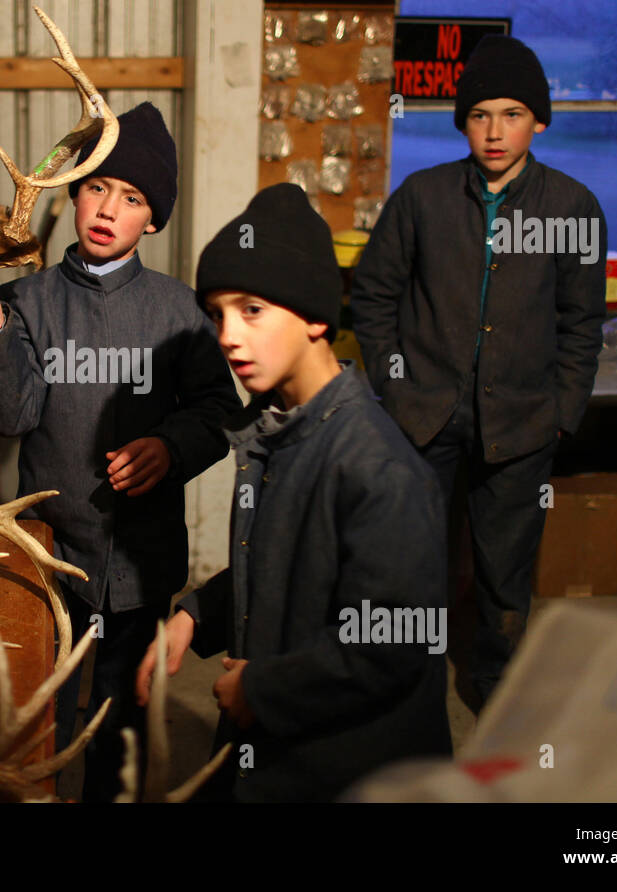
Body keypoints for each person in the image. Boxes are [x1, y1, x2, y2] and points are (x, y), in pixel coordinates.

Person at [0, 103, 241, 801]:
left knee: (121, 722)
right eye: (97, 187)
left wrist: (171, 446)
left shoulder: (179, 311)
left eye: (132, 198)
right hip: (46, 558)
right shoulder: (29, 301)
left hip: (140, 563)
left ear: (153, 220)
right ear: (74, 194)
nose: (109, 208)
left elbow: (221, 410)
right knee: (35, 714)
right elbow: (9, 415)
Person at [136, 183, 452, 801]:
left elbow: (394, 642)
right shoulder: (279, 429)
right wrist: (193, 617)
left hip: (353, 768)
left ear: (314, 316)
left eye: (251, 309)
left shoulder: (376, 467)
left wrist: (262, 690)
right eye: (218, 313)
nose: (227, 336)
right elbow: (282, 563)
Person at [350, 34, 607, 705]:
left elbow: (583, 322)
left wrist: (561, 411)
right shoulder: (424, 197)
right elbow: (372, 293)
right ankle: (408, 685)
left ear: (539, 121)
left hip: (522, 421)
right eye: (480, 114)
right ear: (462, 121)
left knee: (504, 568)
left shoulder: (571, 207)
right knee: (413, 562)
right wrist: (393, 380)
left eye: (513, 114)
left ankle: (494, 687)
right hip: (424, 414)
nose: (495, 131)